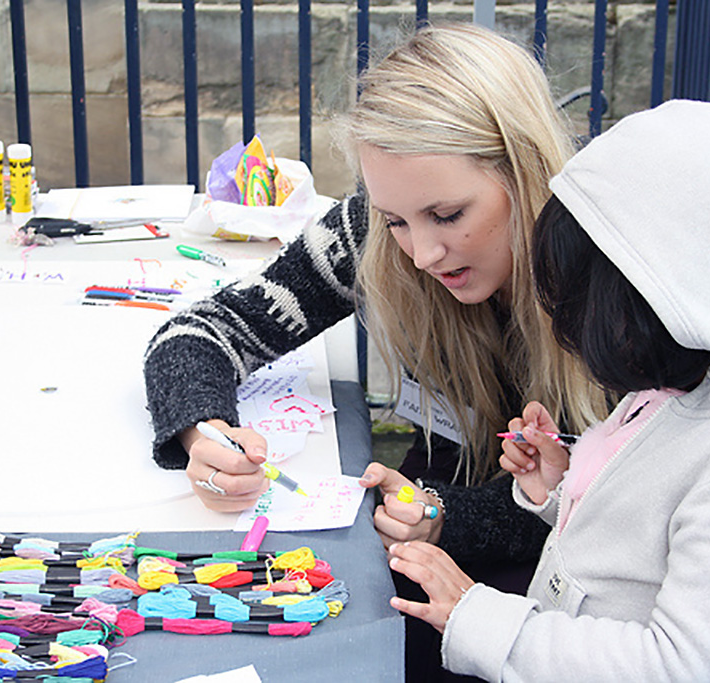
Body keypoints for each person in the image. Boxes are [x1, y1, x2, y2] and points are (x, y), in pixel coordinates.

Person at [144, 23, 607, 681]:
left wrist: (447, 517)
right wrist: (203, 431)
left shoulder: (611, 284)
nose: (420, 252)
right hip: (415, 536)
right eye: (396, 219)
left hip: (555, 598)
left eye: (447, 215)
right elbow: (198, 334)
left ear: (523, 169)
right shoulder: (369, 231)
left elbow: (603, 513)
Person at [386, 99, 710, 680]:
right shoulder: (680, 385)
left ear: (673, 295)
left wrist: (477, 615)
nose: (568, 337)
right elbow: (635, 547)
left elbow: (679, 666)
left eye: (584, 313)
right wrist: (559, 487)